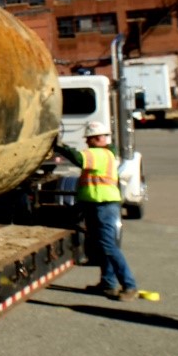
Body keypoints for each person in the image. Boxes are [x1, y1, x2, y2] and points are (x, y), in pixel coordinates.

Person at [56, 128, 139, 300]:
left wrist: (59, 146)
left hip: (104, 205)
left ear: (98, 138)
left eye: (89, 139)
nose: (86, 142)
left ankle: (129, 286)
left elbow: (77, 158)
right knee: (103, 246)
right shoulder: (107, 153)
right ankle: (108, 284)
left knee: (109, 246)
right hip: (97, 204)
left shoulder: (99, 154)